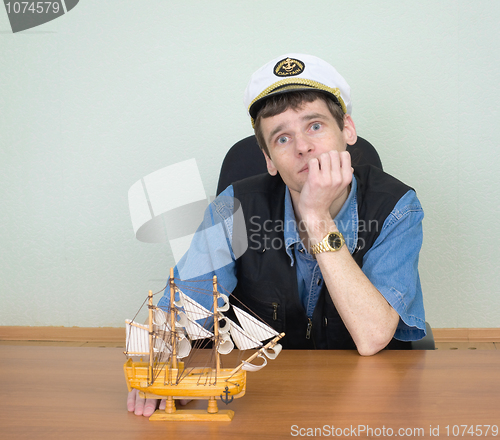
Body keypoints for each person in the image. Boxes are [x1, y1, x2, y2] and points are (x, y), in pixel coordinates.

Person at [128, 53, 426, 416]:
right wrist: (157, 373)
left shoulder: (397, 208)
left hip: (364, 397)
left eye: (314, 126)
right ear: (269, 159)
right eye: (282, 138)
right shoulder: (232, 208)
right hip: (263, 397)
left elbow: (372, 336)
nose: (302, 147)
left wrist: (316, 215)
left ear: (347, 129)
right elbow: (181, 313)